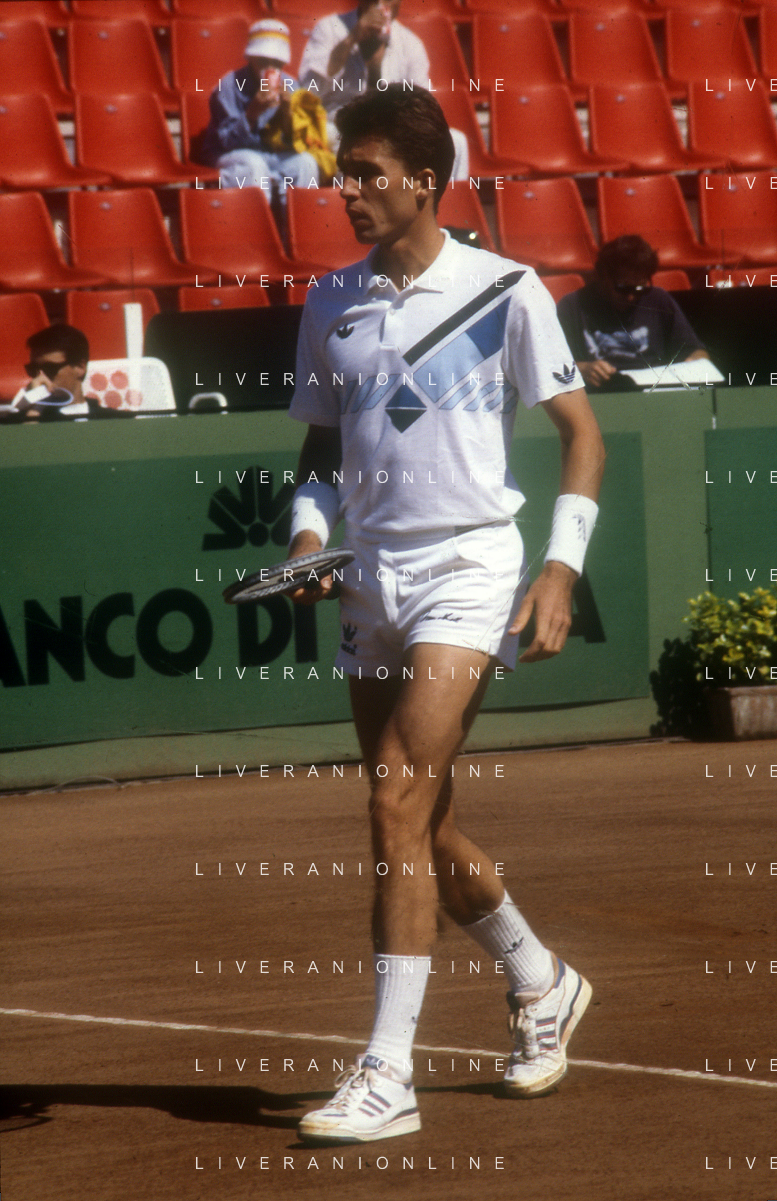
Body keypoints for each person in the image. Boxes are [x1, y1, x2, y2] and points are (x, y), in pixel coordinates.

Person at [285, 85, 605, 1144]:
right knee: (421, 817)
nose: (347, 192)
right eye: (343, 173)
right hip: (369, 575)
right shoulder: (329, 299)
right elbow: (320, 448)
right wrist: (307, 537)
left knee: (393, 796)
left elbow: (582, 435)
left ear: (424, 182)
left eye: (366, 174)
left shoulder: (506, 288)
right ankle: (539, 975)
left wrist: (558, 571)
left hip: (468, 566)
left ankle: (389, 1073)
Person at [298, 0, 470, 181]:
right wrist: (352, 38)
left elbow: (424, 106)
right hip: (337, 126)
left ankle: (448, 199)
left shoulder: (410, 43)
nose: (381, 6)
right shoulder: (329, 28)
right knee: (350, 145)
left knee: (456, 142)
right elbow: (309, 91)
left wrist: (376, 69)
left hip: (392, 130)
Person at [556, 236, 709, 388]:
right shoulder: (573, 306)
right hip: (600, 392)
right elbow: (552, 366)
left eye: (640, 288)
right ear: (602, 277)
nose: (631, 297)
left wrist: (697, 361)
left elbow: (695, 351)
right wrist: (582, 369)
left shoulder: (659, 299)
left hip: (653, 389)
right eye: (623, 288)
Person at [198, 19, 321, 198]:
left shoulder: (291, 85)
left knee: (306, 163)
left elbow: (295, 144)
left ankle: (296, 216)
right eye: (263, 61)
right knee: (253, 164)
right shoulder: (230, 84)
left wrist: (287, 113)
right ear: (251, 58)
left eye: (276, 63)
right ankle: (255, 216)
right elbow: (226, 142)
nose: (270, 68)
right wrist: (252, 112)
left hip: (270, 153)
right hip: (230, 154)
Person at [0, 324, 108, 422]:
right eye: (33, 369)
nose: (39, 378)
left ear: (80, 367)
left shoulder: (112, 420)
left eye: (50, 368)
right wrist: (33, 412)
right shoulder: (21, 421)